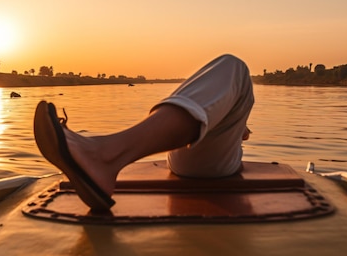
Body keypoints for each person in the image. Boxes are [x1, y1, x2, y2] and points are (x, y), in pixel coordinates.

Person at [34, 54, 254, 211]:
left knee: (234, 67)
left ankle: (104, 155)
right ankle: (104, 156)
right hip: (195, 160)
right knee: (230, 71)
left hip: (205, 165)